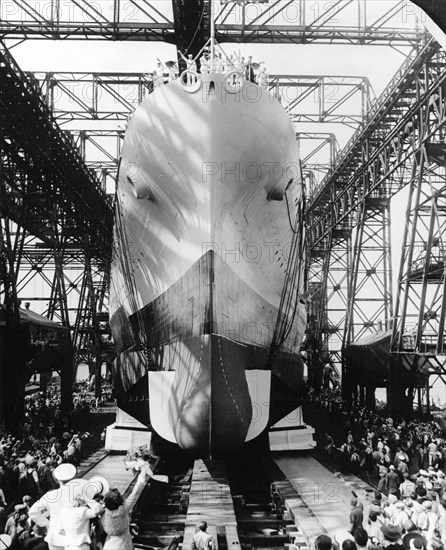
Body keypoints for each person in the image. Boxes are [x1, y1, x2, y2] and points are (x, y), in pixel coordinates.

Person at [100, 461, 153, 550]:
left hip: (109, 545)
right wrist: (143, 471)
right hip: (123, 545)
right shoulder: (123, 510)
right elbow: (136, 492)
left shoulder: (102, 511)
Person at [28, 463, 81, 550]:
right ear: (74, 478)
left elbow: (32, 512)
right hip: (75, 537)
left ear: (56, 480)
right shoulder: (79, 495)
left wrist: (47, 524)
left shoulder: (50, 495)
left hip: (55, 537)